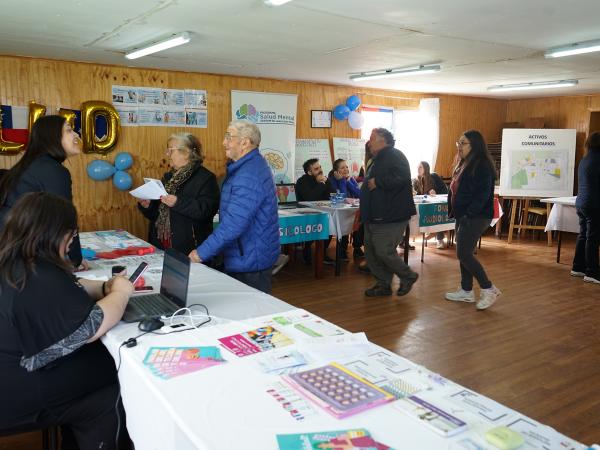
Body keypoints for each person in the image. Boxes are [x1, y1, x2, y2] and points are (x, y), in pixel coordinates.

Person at [0, 192, 134, 450]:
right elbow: (94, 324)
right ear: (56, 234)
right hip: (19, 392)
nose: (72, 242)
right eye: (72, 236)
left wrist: (104, 287)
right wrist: (121, 292)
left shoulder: (19, 262)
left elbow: (71, 286)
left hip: (11, 378)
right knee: (115, 383)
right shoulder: (37, 276)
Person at [188, 121, 279, 293]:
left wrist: (201, 253)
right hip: (247, 255)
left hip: (250, 260)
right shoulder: (245, 167)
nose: (224, 142)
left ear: (245, 142)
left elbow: (233, 224)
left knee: (251, 308)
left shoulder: (248, 174)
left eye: (229, 137)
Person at [0, 115, 83, 268]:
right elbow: (64, 220)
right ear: (52, 137)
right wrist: (74, 260)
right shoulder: (53, 170)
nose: (76, 134)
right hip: (20, 258)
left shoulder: (31, 164)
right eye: (69, 130)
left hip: (11, 251)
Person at [360, 128, 419, 297]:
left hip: (390, 215)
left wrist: (378, 181)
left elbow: (403, 177)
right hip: (375, 215)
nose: (369, 142)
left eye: (372, 138)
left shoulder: (394, 155)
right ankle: (383, 284)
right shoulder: (377, 159)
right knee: (371, 253)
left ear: (383, 140)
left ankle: (407, 275)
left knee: (383, 250)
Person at [138, 133, 219, 256]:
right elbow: (157, 214)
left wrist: (178, 202)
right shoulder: (168, 177)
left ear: (186, 153)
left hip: (189, 250)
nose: (167, 154)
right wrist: (147, 206)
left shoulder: (206, 178)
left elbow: (206, 211)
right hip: (161, 245)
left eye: (171, 150)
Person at [445, 130, 501, 309]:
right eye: (458, 143)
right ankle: (466, 290)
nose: (459, 146)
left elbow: (482, 195)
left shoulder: (482, 165)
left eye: (463, 143)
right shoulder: (464, 162)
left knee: (464, 253)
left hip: (475, 216)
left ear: (474, 145)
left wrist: (469, 214)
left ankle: (488, 288)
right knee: (464, 252)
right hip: (463, 215)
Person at [571, 131, 600, 284]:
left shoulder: (585, 159)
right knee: (592, 237)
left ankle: (578, 267)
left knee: (583, 235)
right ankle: (592, 272)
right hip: (594, 203)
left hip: (581, 202)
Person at [296, 158, 335, 264]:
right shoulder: (302, 181)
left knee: (331, 223)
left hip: (323, 212)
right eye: (316, 169)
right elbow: (309, 197)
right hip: (305, 213)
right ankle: (307, 247)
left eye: (320, 167)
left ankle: (323, 252)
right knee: (315, 223)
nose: (320, 170)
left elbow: (333, 195)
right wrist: (321, 184)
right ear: (309, 172)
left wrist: (327, 183)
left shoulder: (324, 179)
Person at [328, 158, 362, 260]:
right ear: (336, 171)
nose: (346, 169)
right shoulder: (332, 181)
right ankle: (342, 250)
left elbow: (360, 194)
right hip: (339, 212)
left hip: (352, 210)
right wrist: (342, 181)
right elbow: (342, 197)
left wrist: (348, 182)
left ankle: (357, 248)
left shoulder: (350, 179)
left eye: (346, 167)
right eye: (342, 168)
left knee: (359, 221)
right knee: (344, 221)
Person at [412, 161, 449, 249]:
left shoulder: (434, 176)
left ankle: (440, 239)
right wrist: (414, 193)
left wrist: (436, 193)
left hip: (436, 204)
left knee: (438, 213)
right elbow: (416, 195)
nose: (418, 169)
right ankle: (430, 231)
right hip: (425, 206)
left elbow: (445, 190)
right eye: (417, 167)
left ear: (426, 168)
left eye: (420, 167)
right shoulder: (416, 180)